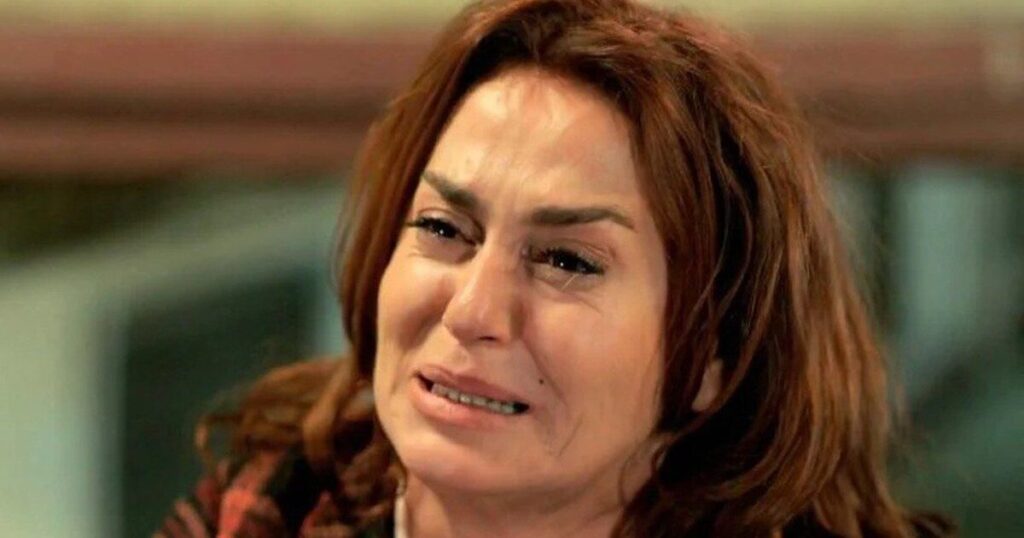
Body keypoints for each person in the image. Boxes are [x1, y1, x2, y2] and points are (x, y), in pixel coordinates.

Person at [157, 0, 953, 536]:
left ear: (716, 353)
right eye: (443, 228)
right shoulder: (267, 504)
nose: (472, 311)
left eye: (567, 260)